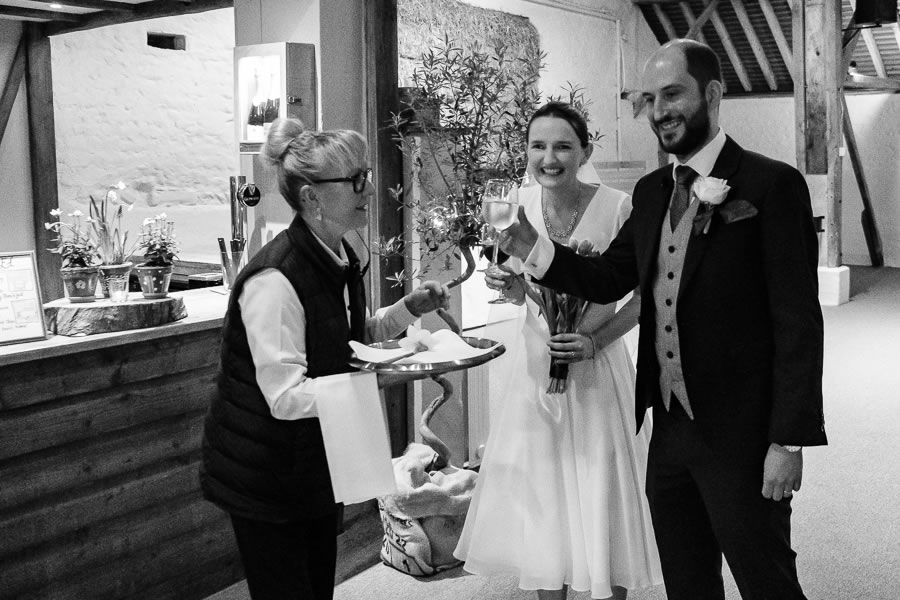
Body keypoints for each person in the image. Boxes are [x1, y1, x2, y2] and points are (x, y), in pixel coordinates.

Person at [498, 39, 827, 600]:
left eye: (672, 94)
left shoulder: (772, 184)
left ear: (712, 94)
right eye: (650, 98)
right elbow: (609, 277)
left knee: (765, 579)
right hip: (669, 427)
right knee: (687, 581)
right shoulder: (652, 191)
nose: (659, 111)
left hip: (743, 431)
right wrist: (536, 249)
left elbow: (797, 320)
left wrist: (788, 441)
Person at [199, 118, 450, 600]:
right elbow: (284, 396)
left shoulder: (337, 253)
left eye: (365, 175)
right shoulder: (275, 279)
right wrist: (375, 379)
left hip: (313, 462)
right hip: (267, 473)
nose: (369, 189)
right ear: (312, 198)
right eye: (356, 180)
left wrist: (407, 309)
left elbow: (346, 339)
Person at [454, 102, 663, 600]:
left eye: (563, 146)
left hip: (596, 368)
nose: (549, 158)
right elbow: (524, 288)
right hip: (535, 369)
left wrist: (595, 341)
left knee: (602, 493)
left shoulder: (619, 207)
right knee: (544, 498)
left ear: (585, 152)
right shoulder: (516, 203)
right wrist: (510, 287)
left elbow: (646, 297)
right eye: (538, 146)